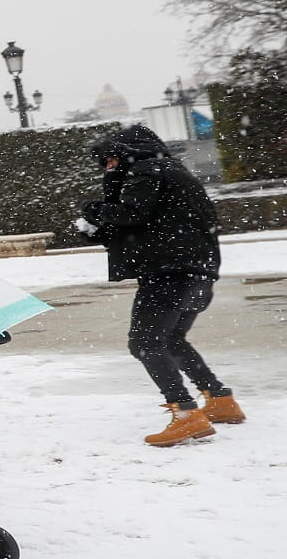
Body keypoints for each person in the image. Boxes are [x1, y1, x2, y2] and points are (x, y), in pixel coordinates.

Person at [77, 123, 244, 446]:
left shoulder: (147, 170)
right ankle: (221, 401)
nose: (108, 167)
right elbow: (146, 223)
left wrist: (94, 209)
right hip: (199, 272)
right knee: (172, 339)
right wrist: (99, 226)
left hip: (170, 273)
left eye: (111, 160)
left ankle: (185, 414)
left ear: (128, 152)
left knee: (144, 343)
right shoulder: (173, 172)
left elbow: (132, 213)